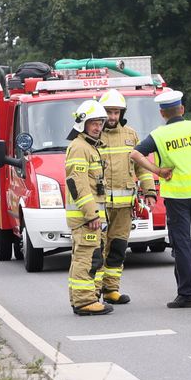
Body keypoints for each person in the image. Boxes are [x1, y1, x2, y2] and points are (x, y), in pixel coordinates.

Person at [129, 90, 191, 308]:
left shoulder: (159, 135)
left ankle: (187, 294)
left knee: (181, 245)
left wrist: (158, 171)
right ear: (182, 109)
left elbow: (134, 154)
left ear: (162, 113)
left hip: (177, 196)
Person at [92, 89, 157, 305]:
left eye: (116, 112)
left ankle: (111, 290)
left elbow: (142, 166)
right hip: (99, 206)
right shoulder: (92, 135)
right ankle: (93, 293)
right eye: (108, 112)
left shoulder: (131, 135)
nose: (112, 117)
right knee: (97, 250)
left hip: (124, 207)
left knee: (118, 249)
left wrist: (149, 191)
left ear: (122, 113)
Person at [65, 100, 113, 316]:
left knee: (92, 257)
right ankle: (84, 302)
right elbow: (78, 183)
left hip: (91, 217)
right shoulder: (79, 147)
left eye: (100, 122)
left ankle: (88, 298)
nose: (97, 127)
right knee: (85, 258)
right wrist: (91, 214)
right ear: (81, 123)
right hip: (86, 218)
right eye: (93, 123)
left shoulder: (90, 146)